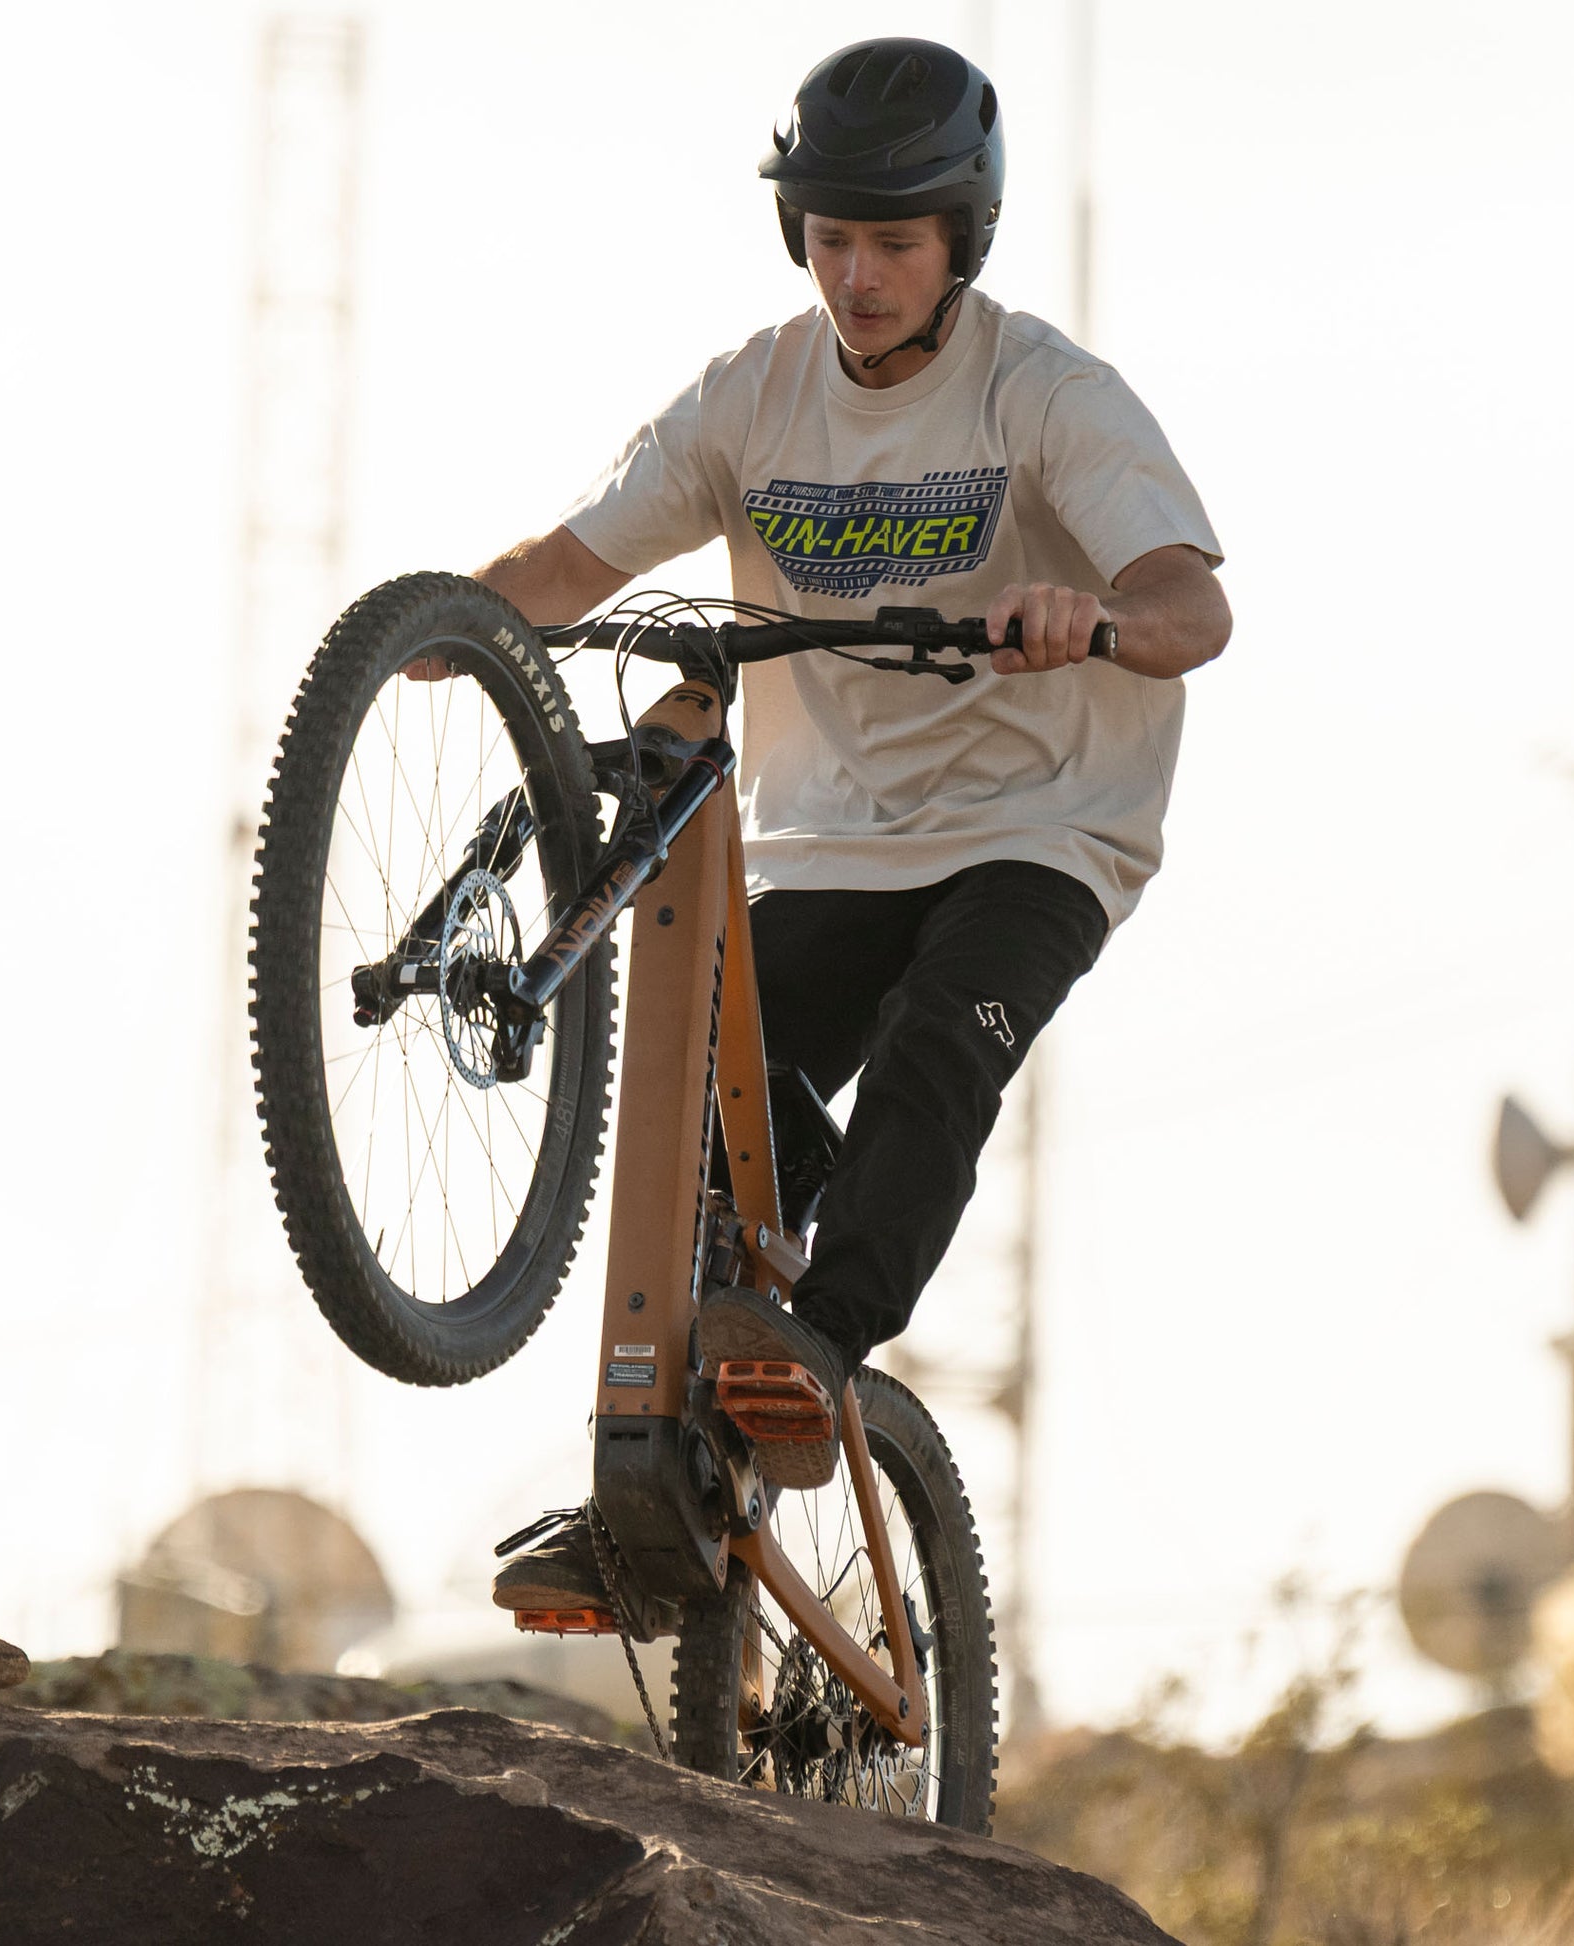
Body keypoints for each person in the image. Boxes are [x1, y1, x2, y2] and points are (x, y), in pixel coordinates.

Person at [481, 37, 1229, 1613]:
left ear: (964, 242)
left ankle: (816, 1349)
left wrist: (1087, 615)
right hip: (828, 834)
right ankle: (660, 1493)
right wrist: (403, 635)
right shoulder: (752, 394)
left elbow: (1190, 607)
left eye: (895, 243)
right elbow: (562, 566)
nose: (862, 276)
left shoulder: (1043, 392)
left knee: (929, 1053)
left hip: (1040, 827)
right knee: (686, 1112)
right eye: (832, 240)